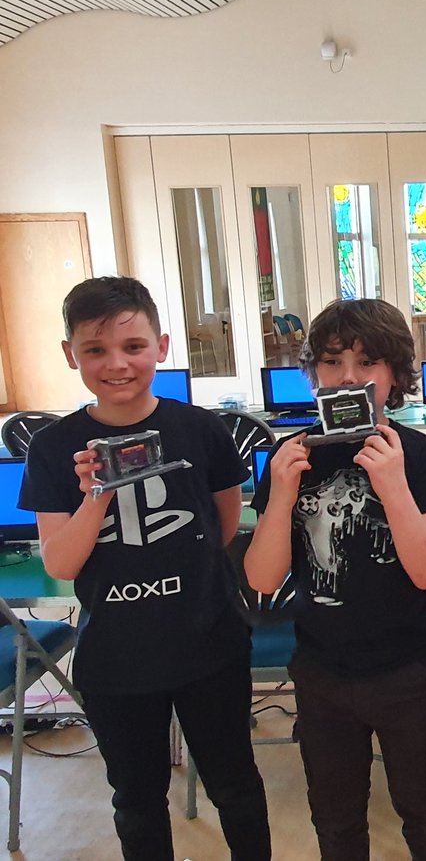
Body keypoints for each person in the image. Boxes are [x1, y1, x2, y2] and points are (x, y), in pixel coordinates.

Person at [17, 276, 271, 861]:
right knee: (136, 797)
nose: (117, 364)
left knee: (235, 784)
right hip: (117, 658)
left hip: (210, 644)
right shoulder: (55, 447)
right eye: (95, 350)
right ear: (70, 355)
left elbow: (224, 526)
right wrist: (97, 494)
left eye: (133, 347)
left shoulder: (201, 429)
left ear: (161, 345)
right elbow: (60, 560)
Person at [244, 298, 426, 861]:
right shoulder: (289, 457)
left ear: (395, 374)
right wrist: (282, 495)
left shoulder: (420, 454)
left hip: (406, 670)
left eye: (368, 364)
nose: (349, 379)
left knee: (425, 810)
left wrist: (392, 483)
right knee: (336, 819)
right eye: (333, 363)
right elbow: (263, 578)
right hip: (322, 671)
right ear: (313, 372)